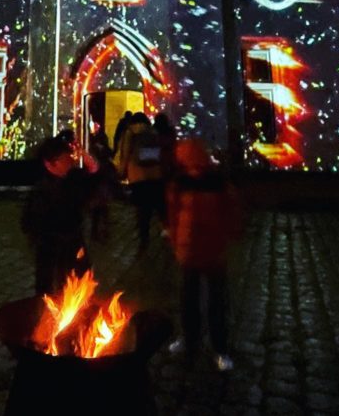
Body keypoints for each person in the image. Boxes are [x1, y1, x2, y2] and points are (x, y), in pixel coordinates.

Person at [166, 137, 243, 372]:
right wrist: (175, 241)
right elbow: (173, 216)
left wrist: (228, 238)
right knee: (188, 299)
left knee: (216, 303)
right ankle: (190, 339)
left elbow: (232, 213)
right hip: (189, 250)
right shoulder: (179, 183)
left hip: (212, 249)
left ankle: (219, 347)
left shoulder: (217, 183)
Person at [20, 134, 99, 295]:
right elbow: (30, 222)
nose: (70, 161)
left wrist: (83, 154)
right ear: (50, 164)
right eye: (65, 158)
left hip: (74, 242)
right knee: (49, 286)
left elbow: (93, 170)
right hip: (52, 246)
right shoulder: (43, 189)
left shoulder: (73, 178)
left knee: (80, 281)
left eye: (69, 157)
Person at [117, 111, 165, 253]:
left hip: (137, 176)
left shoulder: (130, 133)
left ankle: (144, 239)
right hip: (155, 175)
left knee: (142, 209)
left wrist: (121, 172)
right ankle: (165, 234)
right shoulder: (153, 132)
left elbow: (125, 154)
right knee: (156, 206)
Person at [88, 124, 118, 242]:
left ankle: (96, 232)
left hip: (98, 178)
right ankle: (102, 231)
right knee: (102, 208)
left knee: (98, 208)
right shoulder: (100, 142)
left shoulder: (92, 143)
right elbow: (109, 153)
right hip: (102, 178)